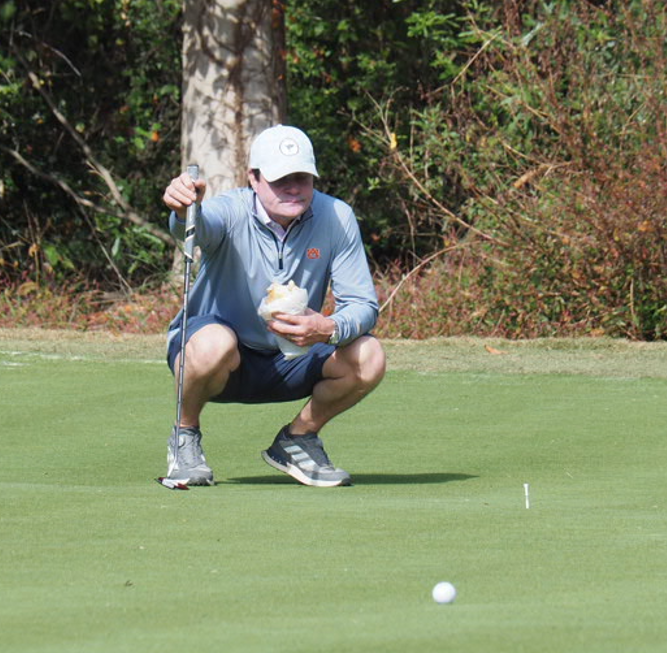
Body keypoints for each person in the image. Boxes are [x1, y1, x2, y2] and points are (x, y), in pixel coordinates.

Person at [161, 124, 386, 487]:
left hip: (292, 356)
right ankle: (185, 435)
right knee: (215, 343)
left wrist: (327, 328)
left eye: (301, 178)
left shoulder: (336, 216)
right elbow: (196, 228)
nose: (293, 188)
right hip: (221, 360)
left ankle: (298, 439)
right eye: (281, 179)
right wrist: (184, 208)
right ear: (254, 178)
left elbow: (363, 305)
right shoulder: (230, 210)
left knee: (369, 354)